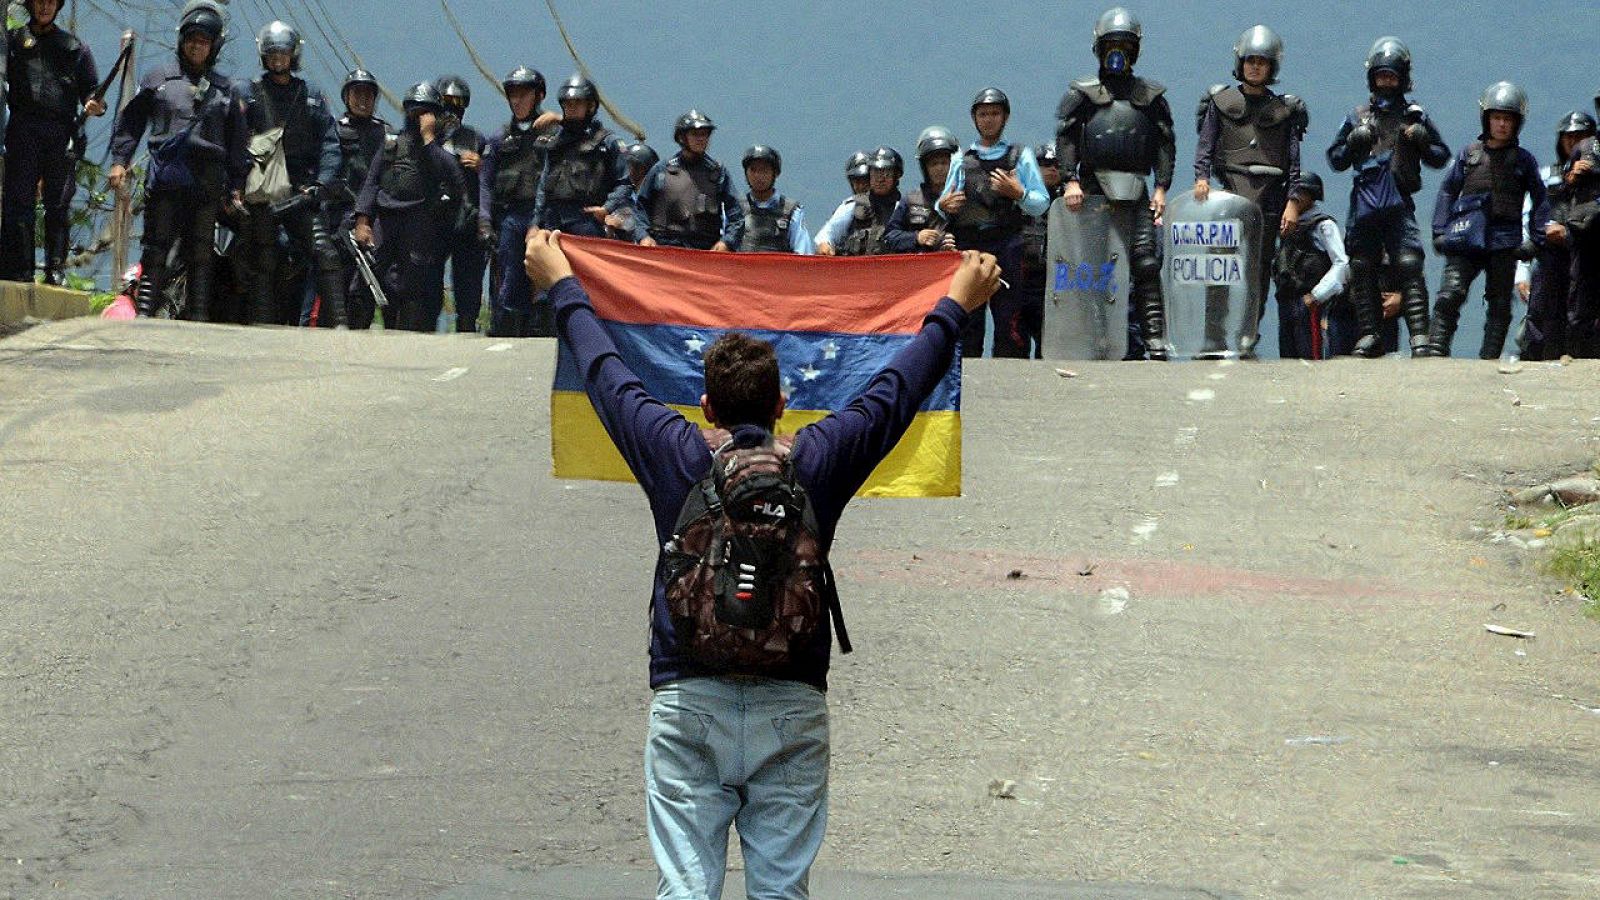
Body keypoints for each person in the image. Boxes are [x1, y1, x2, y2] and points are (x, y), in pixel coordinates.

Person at [521, 227, 1000, 900]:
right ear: (782, 406)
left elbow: (606, 372)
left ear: (707, 405)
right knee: (780, 892)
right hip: (791, 701)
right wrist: (954, 305)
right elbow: (894, 390)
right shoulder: (818, 459)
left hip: (690, 695)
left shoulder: (677, 454)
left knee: (686, 890)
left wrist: (564, 283)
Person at [108, 1, 242, 322]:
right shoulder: (159, 79)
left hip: (207, 187)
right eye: (192, 39)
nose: (197, 46)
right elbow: (131, 124)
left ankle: (196, 320)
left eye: (205, 41)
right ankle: (144, 315)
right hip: (167, 182)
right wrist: (119, 161)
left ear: (214, 47)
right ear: (182, 41)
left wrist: (237, 187)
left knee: (200, 255)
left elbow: (238, 144)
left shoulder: (226, 91)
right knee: (155, 249)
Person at [1055, 7, 1177, 360]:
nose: (1117, 54)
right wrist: (1069, 180)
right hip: (1092, 190)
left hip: (1137, 189)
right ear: (1099, 48)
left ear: (1134, 50)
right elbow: (1066, 139)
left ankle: (1154, 339)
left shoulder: (1151, 97)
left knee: (1145, 262)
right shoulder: (1082, 94)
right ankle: (1096, 337)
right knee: (1093, 266)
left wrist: (1161, 187)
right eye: (1112, 45)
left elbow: (1165, 143)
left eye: (1124, 46)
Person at [1326, 36, 1450, 357]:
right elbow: (1336, 158)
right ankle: (1369, 334)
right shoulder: (1357, 117)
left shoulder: (1415, 116)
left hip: (1399, 201)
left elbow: (1440, 156)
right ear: (1372, 77)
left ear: (1403, 78)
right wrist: (1355, 140)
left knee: (1409, 264)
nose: (1386, 82)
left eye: (1392, 77)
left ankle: (1420, 336)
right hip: (1365, 201)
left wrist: (1421, 138)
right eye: (1381, 76)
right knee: (1362, 266)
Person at [1194, 25, 1308, 355]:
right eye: (1250, 60)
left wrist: (1292, 202)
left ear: (1272, 67)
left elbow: (1293, 161)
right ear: (1240, 62)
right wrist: (1202, 177)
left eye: (1262, 61)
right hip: (1228, 197)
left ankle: (1247, 337)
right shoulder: (1221, 101)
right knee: (1220, 270)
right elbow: (1206, 145)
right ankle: (1213, 338)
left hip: (1270, 202)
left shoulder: (1286, 110)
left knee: (1257, 274)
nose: (1255, 66)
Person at [230, 21, 348, 327]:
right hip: (263, 190)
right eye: (272, 53)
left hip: (301, 190)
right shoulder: (249, 93)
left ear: (293, 54)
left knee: (325, 253)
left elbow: (330, 144)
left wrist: (321, 184)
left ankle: (340, 325)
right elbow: (235, 141)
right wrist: (237, 185)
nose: (278, 59)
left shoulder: (312, 95)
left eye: (283, 52)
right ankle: (263, 327)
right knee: (265, 260)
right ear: (263, 56)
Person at [1427, 82, 1548, 359]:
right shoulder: (1468, 155)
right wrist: (1439, 230)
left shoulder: (1524, 161)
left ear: (1517, 123)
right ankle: (1435, 351)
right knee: (1450, 294)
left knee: (1499, 304)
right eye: (1497, 118)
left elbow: (1541, 200)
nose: (1502, 124)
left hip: (1505, 241)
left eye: (1508, 119)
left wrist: (1536, 240)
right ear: (1486, 119)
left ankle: (1489, 359)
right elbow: (1448, 190)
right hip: (1465, 236)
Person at [939, 87, 1051, 357]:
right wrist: (944, 205)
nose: (988, 119)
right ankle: (967, 374)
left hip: (1008, 243)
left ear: (1005, 118)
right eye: (983, 114)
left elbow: (1041, 201)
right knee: (969, 316)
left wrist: (1018, 193)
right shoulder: (962, 159)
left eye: (994, 114)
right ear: (974, 118)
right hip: (971, 246)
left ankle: (1007, 377)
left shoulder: (1018, 156)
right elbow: (943, 201)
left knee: (1009, 316)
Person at [2, 0, 104, 284]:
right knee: (18, 200)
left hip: (60, 132)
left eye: (50, 1)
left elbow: (92, 91)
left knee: (58, 203)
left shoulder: (74, 47)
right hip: (23, 129)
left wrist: (94, 104)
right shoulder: (12, 41)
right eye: (39, 1)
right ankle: (17, 270)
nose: (44, 7)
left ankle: (55, 270)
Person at [352, 82, 466, 333]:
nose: (417, 117)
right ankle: (356, 332)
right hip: (386, 217)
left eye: (424, 112)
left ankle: (406, 337)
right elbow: (372, 182)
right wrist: (363, 221)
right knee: (366, 276)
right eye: (413, 111)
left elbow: (455, 179)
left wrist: (429, 140)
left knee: (412, 285)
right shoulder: (392, 141)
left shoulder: (440, 148)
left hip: (419, 220)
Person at [478, 65, 558, 336]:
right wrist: (485, 221)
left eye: (524, 94)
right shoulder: (499, 139)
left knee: (547, 275)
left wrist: (560, 121)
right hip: (510, 217)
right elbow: (485, 184)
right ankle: (508, 329)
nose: (517, 100)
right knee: (510, 276)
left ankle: (543, 327)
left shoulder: (554, 134)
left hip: (545, 219)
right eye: (512, 94)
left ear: (539, 96)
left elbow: (587, 133)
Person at [1518, 111, 1594, 360]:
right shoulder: (1545, 175)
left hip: (1587, 258)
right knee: (1542, 314)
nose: (1574, 143)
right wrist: (1522, 272)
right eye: (1568, 137)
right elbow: (1529, 219)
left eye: (1581, 137)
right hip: (1551, 257)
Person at [324, 68, 391, 329]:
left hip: (374, 219)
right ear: (346, 97)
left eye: (368, 94)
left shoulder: (385, 135)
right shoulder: (335, 130)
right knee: (335, 281)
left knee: (367, 284)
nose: (363, 100)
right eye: (357, 93)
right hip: (338, 217)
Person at [534, 74, 631, 240]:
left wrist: (607, 208)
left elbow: (624, 183)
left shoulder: (606, 142)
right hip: (553, 221)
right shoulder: (556, 142)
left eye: (577, 103)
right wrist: (535, 223)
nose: (571, 108)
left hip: (586, 220)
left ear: (591, 106)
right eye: (567, 104)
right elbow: (543, 185)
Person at [636, 109, 740, 251]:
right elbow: (639, 208)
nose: (701, 139)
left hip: (705, 252)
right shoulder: (662, 170)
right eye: (695, 134)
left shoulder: (717, 172)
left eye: (705, 134)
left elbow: (736, 214)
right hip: (665, 249)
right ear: (681, 137)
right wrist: (643, 236)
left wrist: (726, 242)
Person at [1272, 173, 1350, 359]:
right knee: (1288, 355)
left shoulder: (1322, 225)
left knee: (1311, 354)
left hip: (1309, 300)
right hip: (1287, 298)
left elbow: (1341, 263)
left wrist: (1318, 295)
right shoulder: (1286, 225)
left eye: (1298, 193)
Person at [433, 74, 487, 332]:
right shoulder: (425, 136)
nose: (453, 108)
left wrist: (481, 167)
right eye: (448, 101)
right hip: (434, 220)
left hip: (467, 220)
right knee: (428, 281)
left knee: (468, 284)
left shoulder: (475, 139)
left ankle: (467, 328)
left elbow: (494, 181)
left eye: (459, 103)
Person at [1016, 142, 1066, 357]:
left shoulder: (1070, 203)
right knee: (1015, 344)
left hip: (1057, 284)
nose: (1052, 168)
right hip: (1022, 280)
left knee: (1050, 347)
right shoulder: (1019, 197)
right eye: (1045, 164)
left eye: (1057, 164)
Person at [1560, 92, 1600, 358]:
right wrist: (1573, 175)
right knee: (1581, 294)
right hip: (1588, 231)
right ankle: (1579, 355)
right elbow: (1561, 189)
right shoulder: (1586, 147)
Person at [815, 146, 903, 257]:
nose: (880, 179)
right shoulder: (853, 205)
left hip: (892, 272)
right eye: (876, 172)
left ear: (897, 175)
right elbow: (827, 235)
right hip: (853, 271)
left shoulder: (903, 208)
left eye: (886, 174)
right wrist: (824, 245)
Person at [883, 126, 959, 255]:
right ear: (925, 167)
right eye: (934, 163)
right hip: (920, 270)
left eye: (944, 163)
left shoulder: (964, 198)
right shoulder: (911, 200)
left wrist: (956, 245)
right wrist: (917, 238)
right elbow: (889, 237)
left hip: (960, 269)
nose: (939, 168)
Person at [729, 144, 813, 253]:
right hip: (742, 269)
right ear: (746, 173)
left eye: (764, 170)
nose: (758, 176)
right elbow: (724, 247)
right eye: (753, 170)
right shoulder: (735, 209)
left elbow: (803, 252)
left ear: (776, 173)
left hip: (781, 270)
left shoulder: (792, 211)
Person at [604, 141, 656, 240]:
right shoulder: (622, 197)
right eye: (630, 165)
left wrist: (624, 223)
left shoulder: (657, 199)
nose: (632, 171)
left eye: (637, 167)